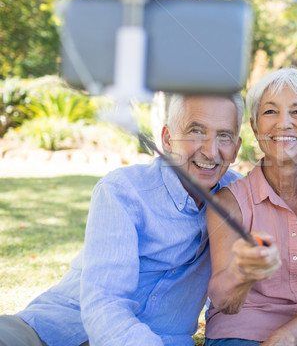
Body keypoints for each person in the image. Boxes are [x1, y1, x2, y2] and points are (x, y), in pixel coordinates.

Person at [0, 93, 244, 346]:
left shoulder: (239, 196)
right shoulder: (123, 190)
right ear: (167, 139)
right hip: (57, 328)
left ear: (236, 148)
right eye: (195, 131)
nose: (210, 151)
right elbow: (105, 301)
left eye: (224, 136)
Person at [204, 68, 297, 346]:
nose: (283, 123)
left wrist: (285, 338)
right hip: (241, 332)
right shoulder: (229, 202)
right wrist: (244, 272)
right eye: (270, 112)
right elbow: (224, 301)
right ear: (254, 127)